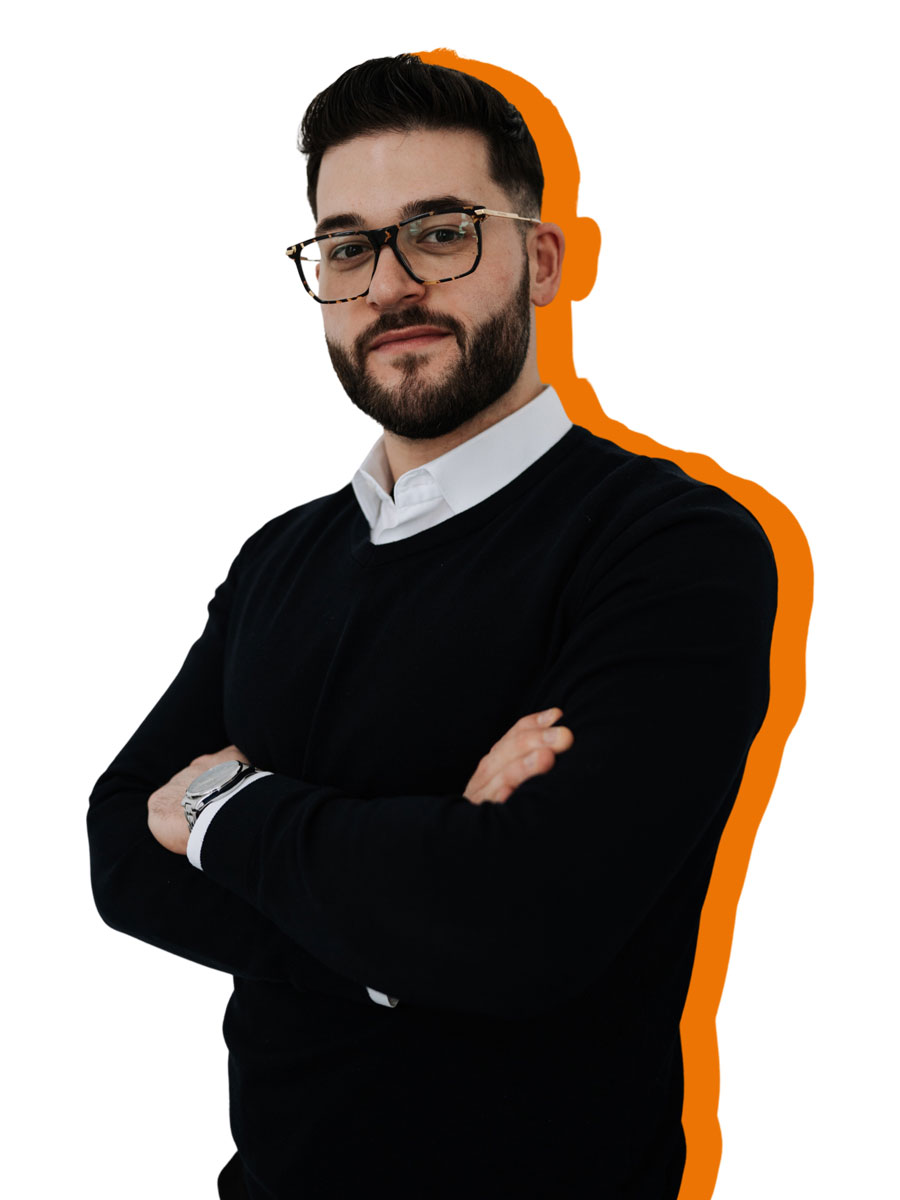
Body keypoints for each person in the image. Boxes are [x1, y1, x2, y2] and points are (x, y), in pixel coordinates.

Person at [88, 53, 777, 1200]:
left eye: (442, 232)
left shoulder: (672, 546)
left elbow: (524, 925)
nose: (389, 285)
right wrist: (414, 904)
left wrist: (220, 808)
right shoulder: (278, 558)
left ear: (541, 259)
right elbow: (119, 846)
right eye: (348, 247)